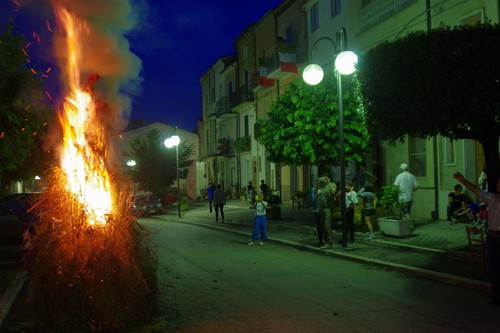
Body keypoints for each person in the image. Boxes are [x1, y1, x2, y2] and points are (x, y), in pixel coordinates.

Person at [454, 171, 500, 306]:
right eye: (497, 183)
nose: (497, 185)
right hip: (491, 235)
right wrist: (463, 180)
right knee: (493, 267)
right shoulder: (492, 198)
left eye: (499, 183)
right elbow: (476, 190)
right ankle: (496, 295)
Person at [317, 177, 337, 249]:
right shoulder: (322, 187)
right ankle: (327, 242)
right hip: (321, 208)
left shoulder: (332, 184)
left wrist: (328, 181)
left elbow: (333, 192)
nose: (321, 181)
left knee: (326, 225)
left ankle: (329, 243)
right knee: (323, 226)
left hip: (328, 208)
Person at [310, 179, 323, 247]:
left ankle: (326, 241)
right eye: (318, 183)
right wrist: (317, 194)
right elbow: (312, 199)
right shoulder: (313, 190)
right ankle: (320, 240)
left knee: (325, 225)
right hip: (316, 210)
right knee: (319, 226)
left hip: (323, 209)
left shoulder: (323, 189)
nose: (319, 185)